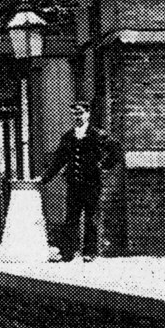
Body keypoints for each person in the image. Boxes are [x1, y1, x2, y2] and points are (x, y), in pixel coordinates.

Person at [41, 102, 122, 262]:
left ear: (88, 114)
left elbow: (117, 150)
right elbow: (58, 161)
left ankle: (89, 252)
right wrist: (44, 179)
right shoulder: (68, 136)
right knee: (71, 218)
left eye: (80, 113)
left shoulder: (98, 134)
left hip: (92, 185)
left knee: (91, 218)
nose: (77, 117)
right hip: (74, 185)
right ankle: (67, 253)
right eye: (75, 114)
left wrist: (104, 165)